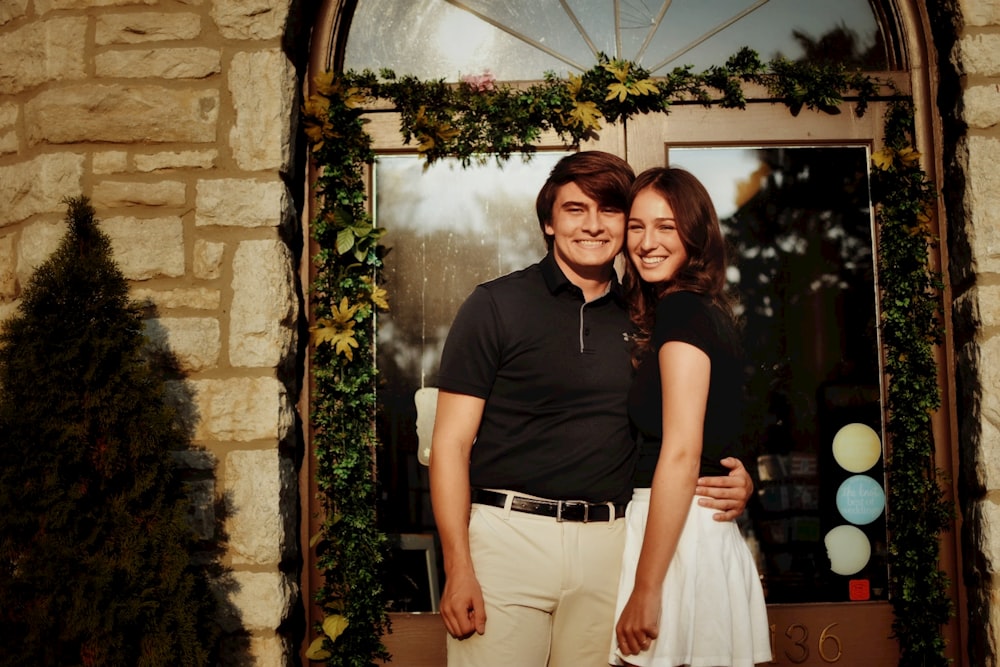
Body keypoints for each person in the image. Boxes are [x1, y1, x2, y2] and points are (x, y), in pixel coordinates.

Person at [429, 151, 755, 667]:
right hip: (509, 541)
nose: (593, 225)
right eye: (576, 209)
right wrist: (458, 565)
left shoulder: (648, 312)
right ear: (548, 222)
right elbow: (449, 445)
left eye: (609, 210)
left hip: (611, 546)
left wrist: (735, 476)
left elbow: (685, 427)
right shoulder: (495, 305)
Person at [609, 166, 771, 667]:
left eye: (666, 226)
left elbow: (682, 451)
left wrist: (647, 586)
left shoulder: (683, 314)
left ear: (696, 235)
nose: (647, 241)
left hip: (677, 539)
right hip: (693, 531)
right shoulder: (706, 312)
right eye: (637, 226)